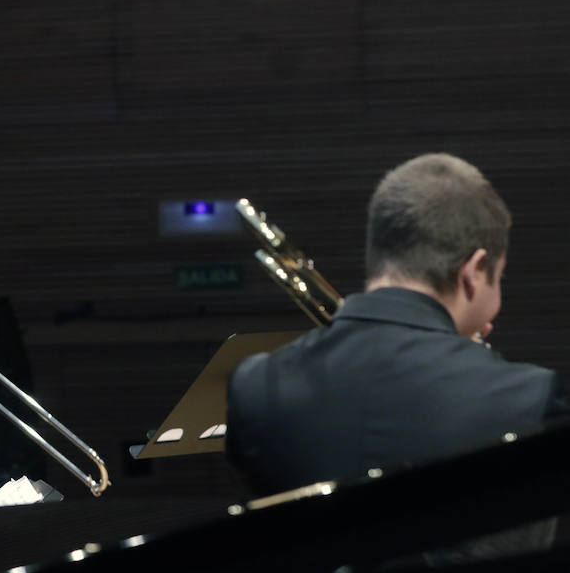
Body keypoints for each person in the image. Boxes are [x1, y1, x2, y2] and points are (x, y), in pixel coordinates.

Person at [226, 152, 569, 499]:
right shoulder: (529, 397)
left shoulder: (254, 388)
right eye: (501, 276)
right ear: (475, 271)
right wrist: (475, 366)